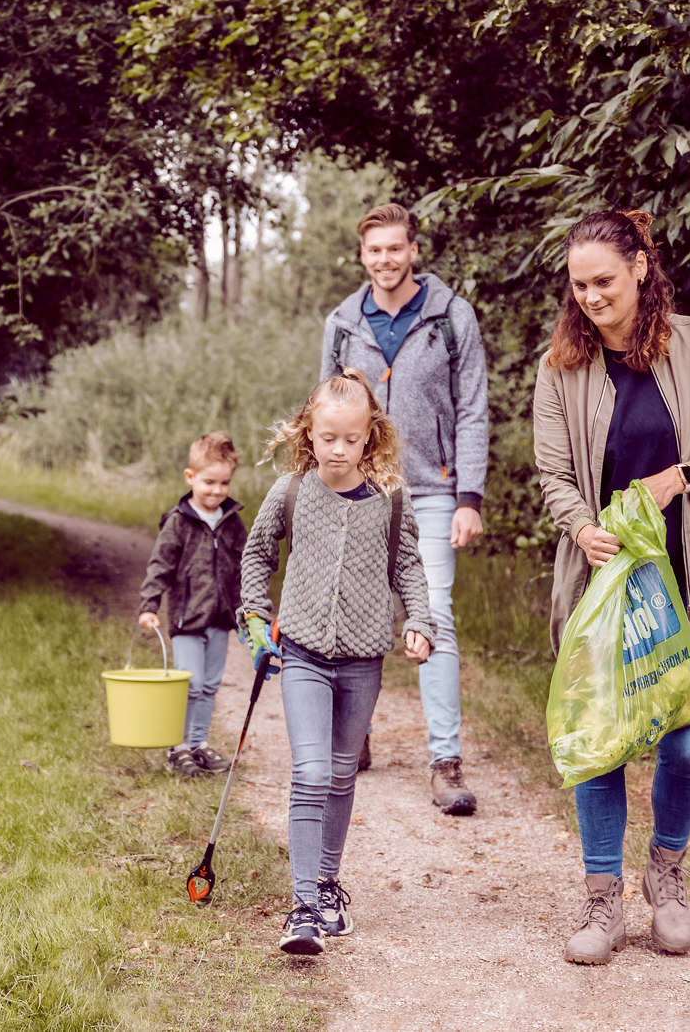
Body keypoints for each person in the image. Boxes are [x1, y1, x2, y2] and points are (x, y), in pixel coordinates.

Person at [532, 209, 690, 965]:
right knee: (601, 745)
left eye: (603, 281)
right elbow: (554, 474)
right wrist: (580, 526)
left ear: (640, 268)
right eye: (579, 286)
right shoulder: (561, 366)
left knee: (689, 745)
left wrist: (680, 476)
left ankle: (667, 872)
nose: (591, 297)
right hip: (604, 588)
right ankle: (603, 898)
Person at [240, 368, 434, 955]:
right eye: (328, 438)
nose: (340, 450)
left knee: (343, 772)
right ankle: (302, 907)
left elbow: (409, 566)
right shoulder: (291, 491)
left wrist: (420, 621)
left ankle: (327, 884)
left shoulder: (390, 499)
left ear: (370, 435)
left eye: (351, 439)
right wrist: (255, 615)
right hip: (300, 653)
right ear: (308, 433)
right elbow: (257, 553)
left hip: (362, 660)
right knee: (312, 772)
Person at [320, 203, 488, 815]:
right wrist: (322, 488)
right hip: (360, 488)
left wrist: (469, 497)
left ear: (413, 250)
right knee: (355, 610)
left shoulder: (452, 316)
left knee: (432, 613)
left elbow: (472, 409)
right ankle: (353, 736)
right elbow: (323, 412)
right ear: (362, 255)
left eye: (395, 248)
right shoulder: (342, 324)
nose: (385, 260)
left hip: (435, 490)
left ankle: (445, 762)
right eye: (374, 250)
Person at [138, 432, 249, 778]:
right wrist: (149, 604)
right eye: (209, 482)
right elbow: (160, 565)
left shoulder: (232, 522)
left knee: (211, 684)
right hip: (187, 619)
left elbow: (243, 568)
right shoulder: (178, 522)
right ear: (190, 477)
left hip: (220, 618)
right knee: (192, 684)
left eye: (224, 483)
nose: (217, 490)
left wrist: (246, 610)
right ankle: (178, 747)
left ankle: (199, 744)